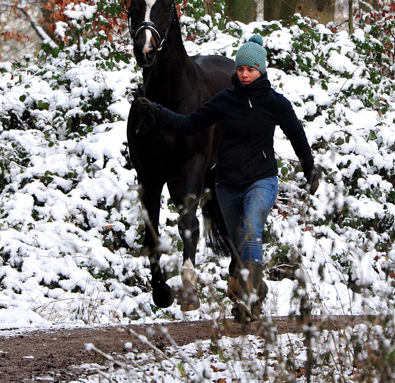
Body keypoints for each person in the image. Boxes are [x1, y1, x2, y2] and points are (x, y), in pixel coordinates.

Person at [136, 34, 319, 323]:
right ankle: (250, 285)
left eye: (252, 70)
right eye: (241, 69)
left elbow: (296, 133)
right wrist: (157, 110)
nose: (245, 75)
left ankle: (250, 301)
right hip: (227, 187)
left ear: (262, 71)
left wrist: (309, 168)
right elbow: (190, 123)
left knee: (251, 229)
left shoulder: (275, 103)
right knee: (239, 242)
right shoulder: (225, 99)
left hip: (262, 180)